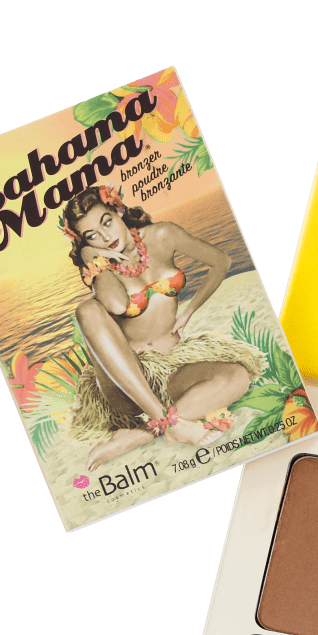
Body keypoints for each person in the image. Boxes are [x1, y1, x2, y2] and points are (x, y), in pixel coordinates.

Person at [60, 185, 264, 471]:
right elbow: (117, 304)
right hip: (128, 384)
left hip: (171, 368)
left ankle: (143, 434)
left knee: (237, 376)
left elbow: (221, 261)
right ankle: (164, 420)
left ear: (119, 211)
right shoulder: (100, 267)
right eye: (92, 235)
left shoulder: (162, 235)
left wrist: (189, 311)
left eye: (107, 222)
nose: (106, 237)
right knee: (87, 309)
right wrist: (92, 257)